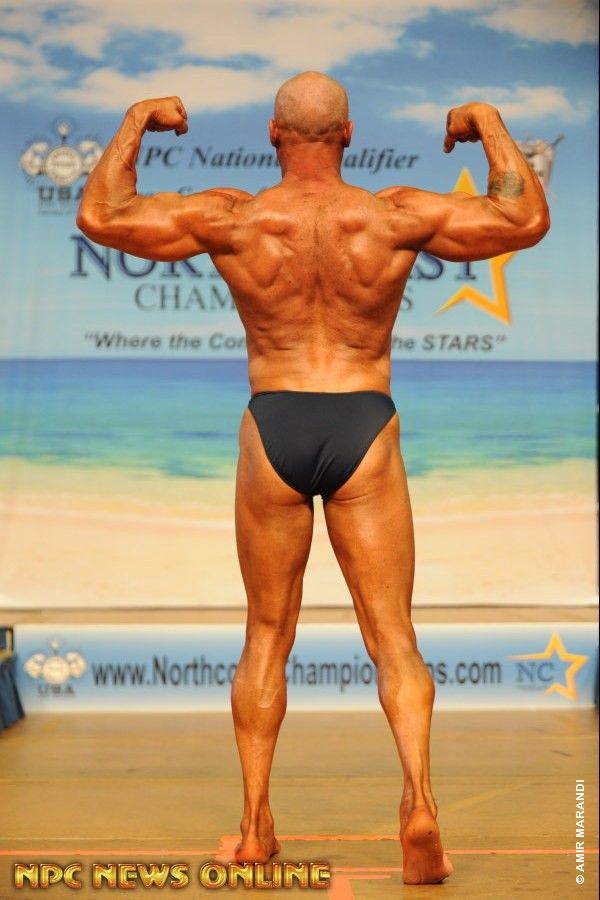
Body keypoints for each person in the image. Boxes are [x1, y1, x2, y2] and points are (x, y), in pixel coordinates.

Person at [76, 71, 550, 885]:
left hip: (275, 425)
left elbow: (101, 214)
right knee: (393, 638)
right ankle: (420, 803)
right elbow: (525, 217)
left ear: (273, 134)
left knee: (267, 635)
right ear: (349, 135)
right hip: (364, 421)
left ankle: (256, 827)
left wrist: (136, 120)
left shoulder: (235, 217)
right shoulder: (393, 215)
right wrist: (487, 120)